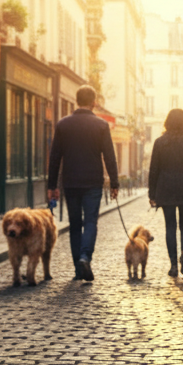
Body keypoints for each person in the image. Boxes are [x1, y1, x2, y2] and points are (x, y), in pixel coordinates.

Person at [46, 85, 119, 282]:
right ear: (94, 103)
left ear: (77, 101)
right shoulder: (101, 125)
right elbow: (110, 156)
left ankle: (78, 269)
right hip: (93, 182)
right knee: (90, 222)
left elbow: (54, 157)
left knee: (75, 224)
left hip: (70, 182)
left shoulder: (63, 124)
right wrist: (115, 182)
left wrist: (51, 186)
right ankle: (85, 257)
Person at [147, 108, 183, 278]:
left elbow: (154, 170)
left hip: (166, 188)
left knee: (170, 227)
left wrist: (152, 194)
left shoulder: (159, 142)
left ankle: (173, 264)